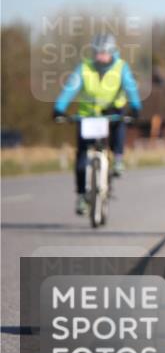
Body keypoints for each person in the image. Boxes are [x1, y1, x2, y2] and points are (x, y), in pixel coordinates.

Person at [53, 33, 142, 216]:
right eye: (96, 52)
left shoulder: (120, 68)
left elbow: (130, 88)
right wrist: (59, 108)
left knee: (120, 123)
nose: (99, 56)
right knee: (81, 157)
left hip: (112, 111)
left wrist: (135, 106)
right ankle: (81, 196)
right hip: (88, 115)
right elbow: (70, 88)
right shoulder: (84, 68)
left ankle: (118, 159)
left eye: (103, 53)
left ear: (111, 52)